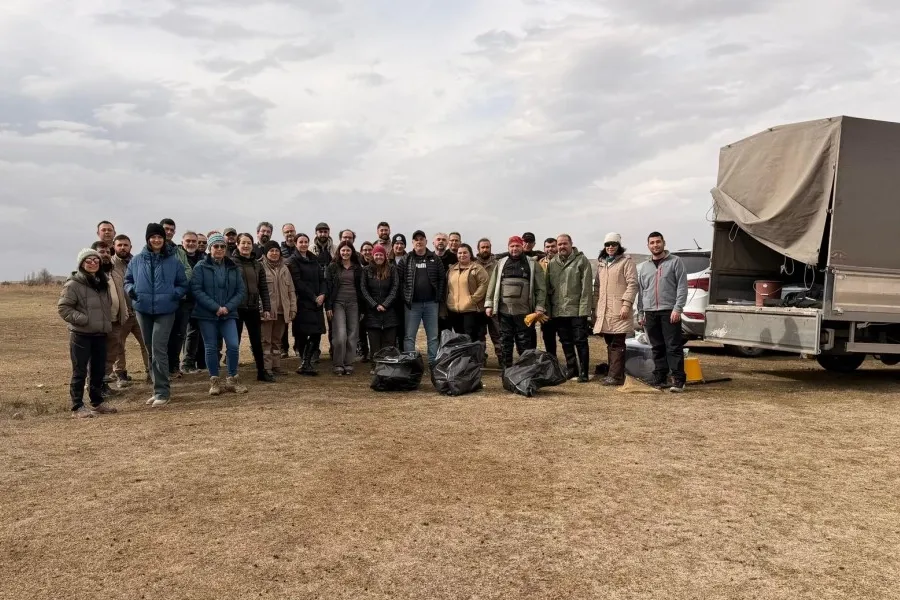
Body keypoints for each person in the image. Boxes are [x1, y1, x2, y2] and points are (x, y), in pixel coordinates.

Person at [125, 223, 188, 407]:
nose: (156, 240)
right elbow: (128, 280)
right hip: (143, 309)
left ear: (164, 239)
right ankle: (156, 389)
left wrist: (174, 294)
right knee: (150, 349)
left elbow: (183, 284)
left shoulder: (173, 261)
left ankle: (163, 392)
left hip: (165, 310)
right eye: (153, 237)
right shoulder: (136, 260)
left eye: (159, 237)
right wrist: (131, 290)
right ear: (148, 239)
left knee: (159, 348)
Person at [58, 248, 118, 418]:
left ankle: (97, 403)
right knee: (80, 371)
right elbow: (64, 308)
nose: (93, 263)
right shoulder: (73, 284)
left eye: (96, 260)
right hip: (81, 334)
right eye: (88, 260)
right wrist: (83, 319)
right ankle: (77, 406)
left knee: (98, 371)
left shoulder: (102, 282)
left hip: (100, 333)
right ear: (81, 264)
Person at [191, 233, 248, 395]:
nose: (220, 249)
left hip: (228, 314)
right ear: (210, 248)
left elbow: (240, 290)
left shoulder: (233, 267)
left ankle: (232, 379)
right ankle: (214, 381)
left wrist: (227, 308)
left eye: (222, 246)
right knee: (211, 347)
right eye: (216, 246)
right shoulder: (200, 267)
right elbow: (196, 289)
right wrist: (215, 307)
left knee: (233, 345)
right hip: (207, 314)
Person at [484, 236, 546, 371]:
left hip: (525, 313)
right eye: (512, 246)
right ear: (508, 247)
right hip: (504, 312)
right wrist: (489, 304)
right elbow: (492, 284)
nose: (514, 248)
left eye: (517, 246)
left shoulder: (532, 263)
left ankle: (524, 370)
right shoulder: (501, 263)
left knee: (524, 342)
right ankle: (506, 370)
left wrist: (539, 307)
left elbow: (541, 288)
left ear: (522, 247)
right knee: (505, 341)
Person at [637, 231, 689, 392]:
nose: (655, 245)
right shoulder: (644, 267)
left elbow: (682, 287)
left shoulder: (675, 262)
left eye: (658, 242)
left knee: (673, 346)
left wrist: (678, 308)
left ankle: (678, 379)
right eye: (652, 243)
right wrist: (641, 312)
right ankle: (660, 376)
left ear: (663, 243)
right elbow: (642, 291)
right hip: (650, 312)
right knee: (657, 346)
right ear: (648, 246)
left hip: (669, 311)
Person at [546, 234, 593, 382]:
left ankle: (584, 372)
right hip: (559, 310)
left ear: (571, 244)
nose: (562, 247)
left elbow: (586, 288)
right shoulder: (552, 263)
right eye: (559, 244)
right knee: (565, 341)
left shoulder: (581, 260)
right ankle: (572, 368)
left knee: (580, 341)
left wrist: (584, 310)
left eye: (565, 243)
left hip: (577, 310)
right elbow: (549, 288)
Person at [594, 233, 639, 386]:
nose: (610, 247)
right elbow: (597, 287)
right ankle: (612, 372)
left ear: (619, 245)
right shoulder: (602, 264)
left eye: (614, 244)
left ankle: (616, 376)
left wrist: (626, 304)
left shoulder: (627, 262)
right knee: (610, 342)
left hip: (620, 309)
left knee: (617, 343)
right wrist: (596, 307)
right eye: (607, 244)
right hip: (605, 310)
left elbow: (632, 284)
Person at [399, 230, 446, 366]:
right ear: (412, 243)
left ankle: (433, 363)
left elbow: (441, 279)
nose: (419, 241)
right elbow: (399, 280)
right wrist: (405, 297)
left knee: (433, 336)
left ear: (426, 241)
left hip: (431, 304)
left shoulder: (435, 259)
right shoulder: (406, 259)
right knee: (409, 336)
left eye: (421, 239)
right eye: (416, 239)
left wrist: (438, 297)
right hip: (412, 305)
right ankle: (410, 363)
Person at [110, 235, 150, 383]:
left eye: (125, 245)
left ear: (130, 247)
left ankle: (151, 371)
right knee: (118, 344)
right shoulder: (110, 265)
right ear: (114, 246)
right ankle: (120, 373)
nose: (123, 248)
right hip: (121, 312)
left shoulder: (138, 262)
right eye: (119, 245)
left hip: (139, 310)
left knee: (147, 343)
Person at [286, 233, 327, 375]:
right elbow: (298, 282)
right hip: (302, 302)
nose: (303, 244)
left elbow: (322, 279)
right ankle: (305, 363)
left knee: (317, 332)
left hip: (317, 303)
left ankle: (306, 362)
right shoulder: (292, 261)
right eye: (301, 242)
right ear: (295, 243)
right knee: (302, 333)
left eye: (305, 242)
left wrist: (322, 294)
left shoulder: (313, 259)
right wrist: (313, 297)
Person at [234, 233, 273, 382]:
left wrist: (266, 308)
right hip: (236, 308)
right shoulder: (231, 263)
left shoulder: (258, 265)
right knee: (234, 342)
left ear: (252, 245)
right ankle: (232, 374)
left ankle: (261, 372)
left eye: (248, 243)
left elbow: (263, 288)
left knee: (257, 341)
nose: (246, 246)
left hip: (253, 307)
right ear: (237, 245)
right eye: (243, 243)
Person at [159, 218, 193, 379]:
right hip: (162, 301)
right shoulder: (154, 250)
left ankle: (173, 366)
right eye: (166, 229)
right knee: (163, 335)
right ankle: (161, 368)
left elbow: (187, 270)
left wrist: (177, 286)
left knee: (179, 334)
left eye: (172, 229)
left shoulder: (180, 252)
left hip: (180, 299)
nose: (169, 232)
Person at [92, 241, 127, 394]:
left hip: (115, 321)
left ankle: (103, 386)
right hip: (98, 323)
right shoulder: (90, 275)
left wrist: (124, 312)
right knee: (96, 355)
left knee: (111, 355)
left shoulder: (113, 273)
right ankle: (94, 388)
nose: (105, 255)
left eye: (107, 252)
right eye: (102, 252)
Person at [259, 241, 297, 379]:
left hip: (282, 311)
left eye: (276, 250)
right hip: (267, 312)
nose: (274, 253)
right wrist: (261, 309)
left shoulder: (285, 268)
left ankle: (276, 366)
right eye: (271, 251)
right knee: (266, 341)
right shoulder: (260, 267)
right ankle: (266, 367)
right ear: (266, 253)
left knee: (277, 340)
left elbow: (291, 290)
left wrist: (292, 308)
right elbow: (258, 291)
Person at [325, 241, 363, 375]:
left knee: (352, 334)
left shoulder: (358, 268)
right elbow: (328, 287)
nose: (345, 253)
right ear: (339, 252)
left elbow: (362, 289)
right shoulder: (332, 267)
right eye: (343, 250)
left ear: (352, 252)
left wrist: (362, 309)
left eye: (348, 250)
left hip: (354, 303)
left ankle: (348, 363)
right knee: (340, 335)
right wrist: (328, 306)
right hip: (338, 303)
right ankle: (338, 364)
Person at [360, 244, 400, 358]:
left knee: (389, 344)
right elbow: (363, 289)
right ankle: (375, 364)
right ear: (373, 256)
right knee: (375, 344)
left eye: (381, 255)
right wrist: (374, 305)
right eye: (376, 254)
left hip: (390, 311)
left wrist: (385, 304)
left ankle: (388, 365)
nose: (379, 257)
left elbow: (395, 287)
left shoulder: (392, 269)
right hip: (372, 312)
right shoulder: (366, 270)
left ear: (385, 256)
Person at [446, 243, 489, 343]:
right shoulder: (452, 269)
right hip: (455, 311)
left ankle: (474, 354)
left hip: (471, 310)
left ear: (470, 254)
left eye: (465, 252)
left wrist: (472, 300)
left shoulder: (477, 268)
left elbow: (484, 285)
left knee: (472, 338)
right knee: (460, 338)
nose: (462, 255)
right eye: (460, 253)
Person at [173, 231, 203, 375]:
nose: (191, 243)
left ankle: (188, 363)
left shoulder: (202, 257)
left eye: (193, 241)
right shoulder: (177, 256)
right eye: (188, 241)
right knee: (179, 333)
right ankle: (174, 365)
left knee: (194, 332)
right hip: (182, 300)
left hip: (197, 300)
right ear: (182, 242)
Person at [475, 238, 502, 365]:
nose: (485, 250)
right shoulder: (473, 265)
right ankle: (481, 359)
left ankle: (502, 359)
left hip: (494, 306)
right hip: (478, 306)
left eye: (487, 247)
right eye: (483, 247)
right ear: (478, 249)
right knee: (479, 335)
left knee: (498, 334)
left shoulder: (498, 264)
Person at [538, 237, 559, 358]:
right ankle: (552, 360)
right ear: (544, 248)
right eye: (547, 247)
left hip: (561, 306)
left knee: (566, 337)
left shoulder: (562, 263)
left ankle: (571, 365)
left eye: (553, 246)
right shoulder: (539, 264)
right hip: (546, 307)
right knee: (548, 336)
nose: (550, 249)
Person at [357, 241, 375, 360]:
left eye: (369, 249)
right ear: (361, 252)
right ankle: (364, 352)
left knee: (373, 328)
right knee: (361, 328)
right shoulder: (357, 265)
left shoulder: (377, 263)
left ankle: (374, 351)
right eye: (365, 250)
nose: (367, 252)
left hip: (374, 301)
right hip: (360, 301)